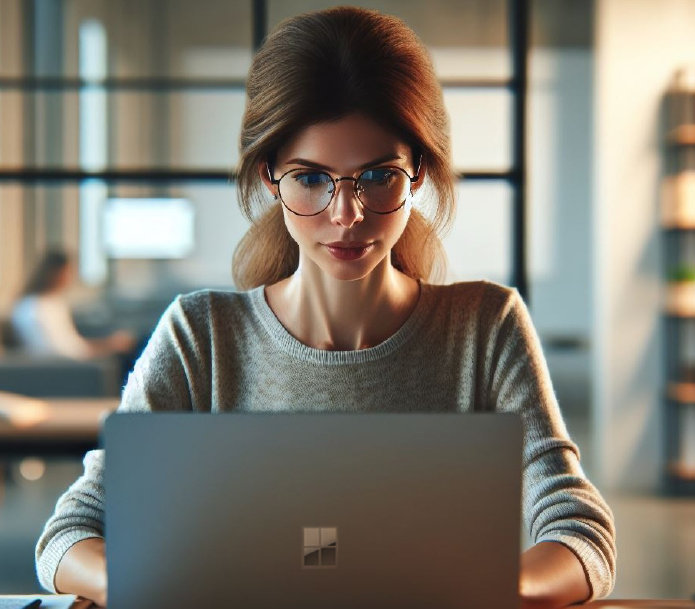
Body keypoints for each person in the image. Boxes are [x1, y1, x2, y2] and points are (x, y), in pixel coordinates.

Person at [35, 7, 616, 608]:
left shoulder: (484, 327)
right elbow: (69, 536)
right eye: (311, 179)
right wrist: (165, 586)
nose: (347, 215)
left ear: (417, 172)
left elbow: (581, 533)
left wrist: (490, 590)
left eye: (378, 176)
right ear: (270, 178)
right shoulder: (200, 336)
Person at [10, 250, 135, 360]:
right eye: (68, 272)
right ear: (56, 273)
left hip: (65, 363)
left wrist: (107, 344)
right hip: (62, 367)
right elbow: (62, 351)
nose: (70, 278)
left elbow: (70, 344)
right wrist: (108, 346)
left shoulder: (44, 303)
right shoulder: (40, 307)